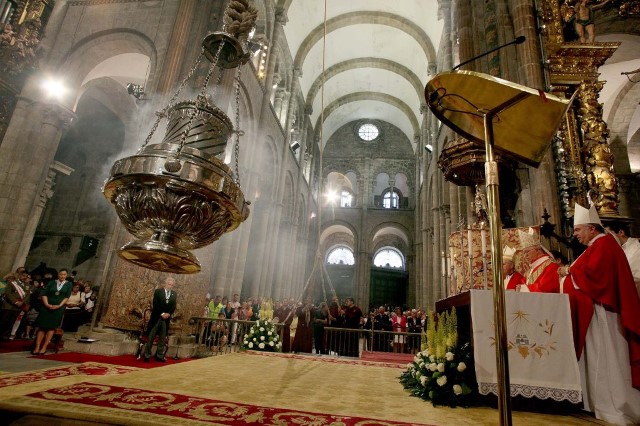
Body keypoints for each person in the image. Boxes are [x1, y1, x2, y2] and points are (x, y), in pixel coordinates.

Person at [558, 203, 640, 425]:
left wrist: (569, 272)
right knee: (597, 358)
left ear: (592, 228)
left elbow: (595, 276)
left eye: (578, 230)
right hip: (597, 312)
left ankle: (614, 405)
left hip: (606, 313)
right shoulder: (597, 245)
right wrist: (569, 272)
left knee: (607, 358)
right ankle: (599, 403)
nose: (575, 235)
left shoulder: (604, 244)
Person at [32, 269, 72, 355]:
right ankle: (37, 347)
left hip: (58, 308)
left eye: (64, 275)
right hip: (46, 307)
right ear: (58, 274)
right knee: (42, 327)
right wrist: (46, 304)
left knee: (51, 328)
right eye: (61, 274)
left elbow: (66, 297)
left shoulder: (68, 284)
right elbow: (44, 294)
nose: (62, 276)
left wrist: (59, 305)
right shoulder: (52, 282)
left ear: (66, 275)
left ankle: (44, 347)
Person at [143, 277, 177, 362]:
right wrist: (162, 313)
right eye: (169, 284)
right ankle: (147, 355)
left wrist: (168, 314)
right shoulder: (158, 291)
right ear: (165, 283)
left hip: (166, 319)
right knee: (151, 337)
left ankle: (159, 356)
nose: (170, 286)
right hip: (156, 317)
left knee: (162, 338)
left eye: (172, 285)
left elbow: (173, 306)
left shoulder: (174, 294)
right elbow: (155, 304)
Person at [517, 229, 560, 293]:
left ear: (538, 250)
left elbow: (546, 288)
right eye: (524, 253)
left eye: (527, 252)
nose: (525, 256)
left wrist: (524, 288)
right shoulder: (529, 270)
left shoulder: (551, 265)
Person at [607, 222, 640, 296]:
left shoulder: (637, 249)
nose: (607, 239)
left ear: (621, 232)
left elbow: (635, 278)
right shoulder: (617, 250)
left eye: (609, 235)